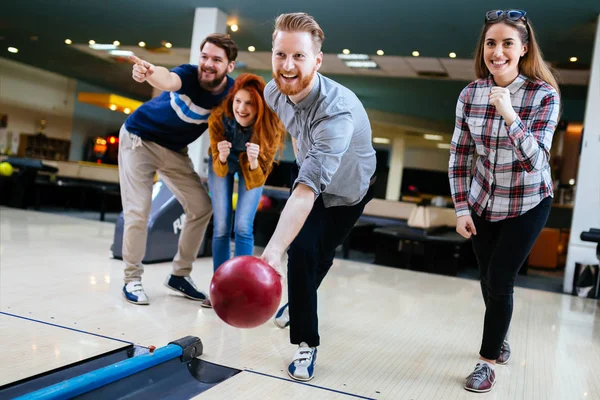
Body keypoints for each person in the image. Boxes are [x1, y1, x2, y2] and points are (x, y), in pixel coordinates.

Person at [260, 13, 377, 381]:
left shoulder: (337, 110)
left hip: (351, 188)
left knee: (318, 253)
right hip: (312, 168)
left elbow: (309, 191)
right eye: (281, 55)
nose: (287, 65)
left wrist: (272, 251)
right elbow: (297, 132)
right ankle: (306, 344)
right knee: (305, 251)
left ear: (317, 60)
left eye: (298, 56)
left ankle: (298, 299)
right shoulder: (273, 91)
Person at [448, 10, 560, 393]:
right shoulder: (470, 94)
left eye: (507, 43)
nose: (497, 51)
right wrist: (462, 207)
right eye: (491, 43)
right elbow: (460, 156)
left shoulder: (543, 96)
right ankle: (500, 339)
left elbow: (536, 162)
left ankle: (486, 362)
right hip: (483, 200)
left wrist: (510, 113)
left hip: (528, 202)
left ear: (524, 49)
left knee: (500, 278)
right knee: (487, 278)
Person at [119, 34, 238, 305]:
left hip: (174, 150)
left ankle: (179, 275)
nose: (207, 64)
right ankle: (132, 278)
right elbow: (167, 79)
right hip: (139, 139)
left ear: (230, 66)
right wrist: (150, 73)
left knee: (201, 207)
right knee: (138, 212)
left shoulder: (230, 94)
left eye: (216, 60)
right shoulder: (188, 74)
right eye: (204, 57)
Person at [203, 73, 285, 307]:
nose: (241, 108)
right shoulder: (219, 117)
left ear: (258, 106)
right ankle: (219, 289)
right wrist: (222, 156)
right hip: (222, 162)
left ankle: (241, 287)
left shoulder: (269, 127)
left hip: (253, 166)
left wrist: (254, 161)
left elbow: (259, 178)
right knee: (221, 226)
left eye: (249, 103)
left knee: (242, 227)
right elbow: (218, 170)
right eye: (238, 101)